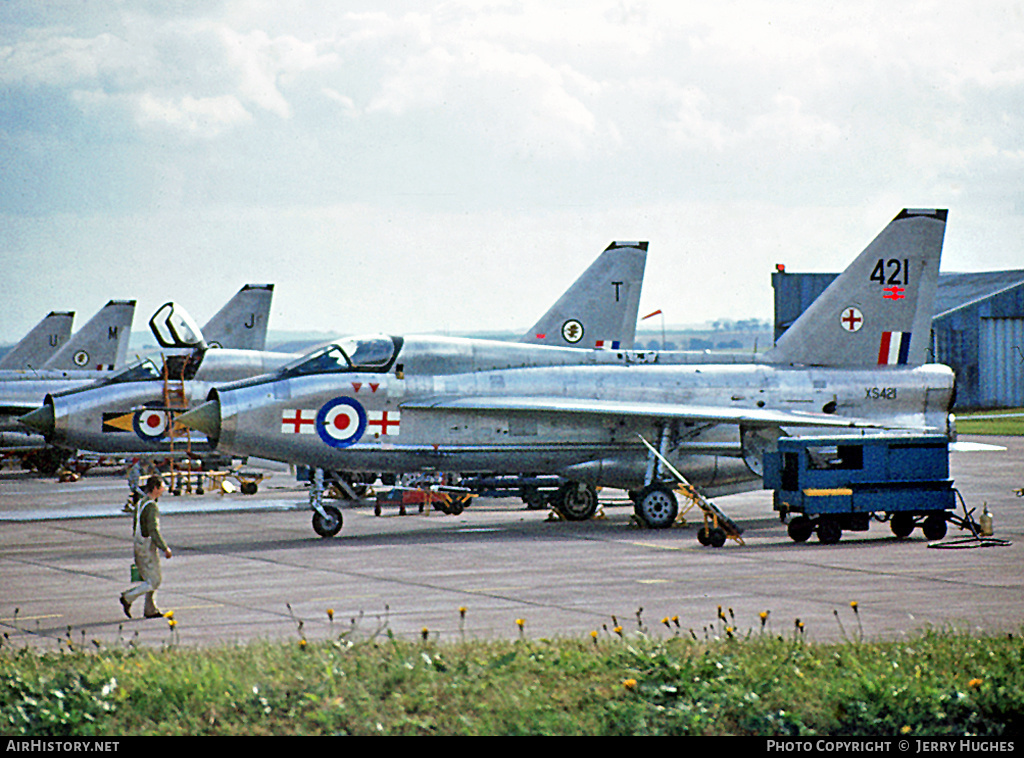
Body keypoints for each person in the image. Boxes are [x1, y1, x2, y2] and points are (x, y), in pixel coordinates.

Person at [120, 474, 173, 619]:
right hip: (147, 548)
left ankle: (150, 609)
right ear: (155, 488)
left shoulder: (141, 504)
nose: (163, 490)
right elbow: (153, 530)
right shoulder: (151, 507)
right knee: (155, 580)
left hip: (138, 545)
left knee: (150, 578)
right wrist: (164, 548)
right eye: (162, 487)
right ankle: (128, 597)